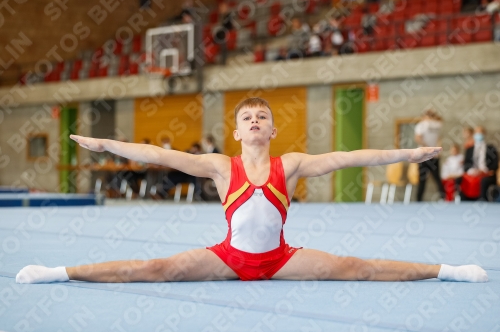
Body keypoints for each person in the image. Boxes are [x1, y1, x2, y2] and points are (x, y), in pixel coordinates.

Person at [16, 98, 488, 284]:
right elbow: (158, 156)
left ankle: (448, 270)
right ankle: (58, 271)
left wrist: (405, 155)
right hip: (228, 257)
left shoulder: (293, 164)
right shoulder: (222, 166)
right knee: (156, 268)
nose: (256, 120)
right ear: (238, 132)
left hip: (281, 258)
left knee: (356, 268)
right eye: (247, 118)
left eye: (262, 116)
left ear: (273, 128)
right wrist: (104, 144)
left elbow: (350, 157)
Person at [414, 110, 446, 201]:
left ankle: (418, 200)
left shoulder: (421, 125)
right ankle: (443, 198)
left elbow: (418, 138)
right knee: (437, 178)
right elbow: (439, 139)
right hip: (434, 155)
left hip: (423, 155)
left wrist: (428, 148)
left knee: (422, 179)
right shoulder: (438, 125)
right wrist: (437, 150)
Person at [461, 126, 499, 201]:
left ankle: (482, 200)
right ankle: (464, 201)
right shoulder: (469, 149)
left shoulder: (491, 148)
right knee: (460, 180)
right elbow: (466, 164)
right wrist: (472, 170)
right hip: (473, 173)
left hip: (486, 173)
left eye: (480, 132)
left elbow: (495, 164)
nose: (478, 134)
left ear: (484, 134)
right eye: (477, 132)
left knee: (484, 181)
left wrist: (485, 170)